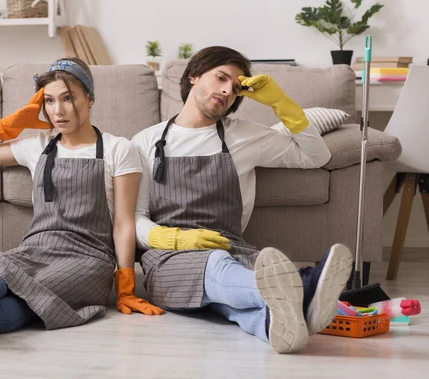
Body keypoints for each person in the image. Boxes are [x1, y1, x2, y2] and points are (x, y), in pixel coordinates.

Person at [0, 57, 164, 348]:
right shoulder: (37, 145)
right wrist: (7, 125)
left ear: (89, 99)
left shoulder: (119, 149)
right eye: (49, 101)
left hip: (88, 260)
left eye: (68, 98)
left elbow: (124, 222)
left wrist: (125, 286)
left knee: (32, 294)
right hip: (34, 249)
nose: (58, 110)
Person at [131, 46, 354, 354]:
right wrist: (172, 238)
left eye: (236, 88)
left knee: (236, 306)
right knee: (221, 268)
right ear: (193, 77)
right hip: (169, 259)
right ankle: (305, 287)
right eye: (221, 77)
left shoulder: (244, 135)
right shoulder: (145, 141)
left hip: (233, 248)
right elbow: (134, 216)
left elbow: (315, 155)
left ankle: (273, 327)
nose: (226, 90)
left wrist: (281, 103)